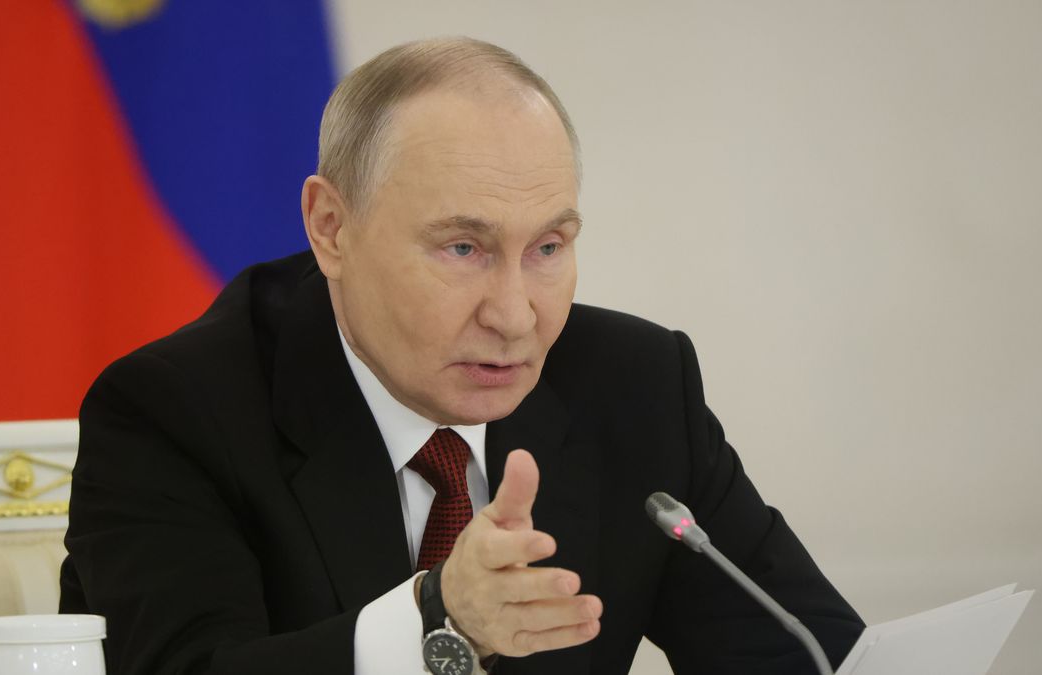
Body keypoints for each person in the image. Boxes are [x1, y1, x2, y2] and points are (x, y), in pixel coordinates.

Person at [60, 37, 864, 674]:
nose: (516, 315)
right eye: (462, 247)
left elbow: (808, 655)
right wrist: (439, 621)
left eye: (548, 245)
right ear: (331, 228)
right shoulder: (173, 413)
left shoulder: (637, 386)